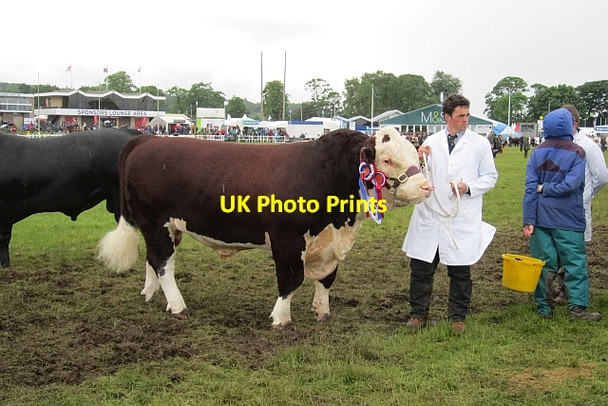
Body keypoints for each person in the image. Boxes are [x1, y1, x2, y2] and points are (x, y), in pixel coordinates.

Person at [402, 94, 498, 334]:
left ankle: (457, 317)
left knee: (460, 269)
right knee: (421, 267)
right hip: (431, 213)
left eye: (467, 115)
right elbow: (420, 173)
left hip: (461, 214)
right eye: (460, 116)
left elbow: (491, 176)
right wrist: (419, 157)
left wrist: (469, 188)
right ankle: (418, 314)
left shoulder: (480, 144)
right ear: (447, 117)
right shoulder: (431, 142)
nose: (465, 120)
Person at [522, 108, 601, 321]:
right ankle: (577, 309)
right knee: (574, 262)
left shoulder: (537, 152)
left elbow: (530, 187)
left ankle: (544, 308)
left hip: (540, 218)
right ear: (569, 126)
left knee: (542, 262)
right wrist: (549, 188)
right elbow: (571, 185)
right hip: (569, 218)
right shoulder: (577, 152)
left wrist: (528, 219)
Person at [552, 105, 608, 304]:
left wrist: (588, 196)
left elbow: (601, 176)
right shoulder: (555, 143)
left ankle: (571, 293)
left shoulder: (588, 146)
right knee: (558, 249)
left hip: (576, 206)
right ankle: (561, 288)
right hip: (555, 206)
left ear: (574, 123)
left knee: (573, 251)